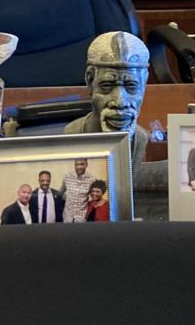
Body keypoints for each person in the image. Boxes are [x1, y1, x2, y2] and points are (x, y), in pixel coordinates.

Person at [62, 31, 157, 187]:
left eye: (131, 86)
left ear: (144, 84)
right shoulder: (72, 134)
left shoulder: (140, 139)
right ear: (90, 81)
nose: (120, 102)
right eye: (107, 86)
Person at [60, 158, 97, 223]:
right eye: (76, 165)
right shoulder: (67, 177)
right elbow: (61, 192)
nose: (79, 167)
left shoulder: (92, 179)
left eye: (82, 164)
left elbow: (95, 197)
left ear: (86, 164)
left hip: (81, 219)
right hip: (67, 218)